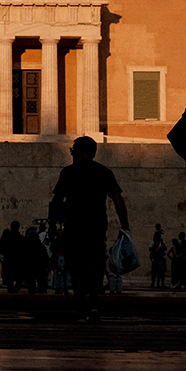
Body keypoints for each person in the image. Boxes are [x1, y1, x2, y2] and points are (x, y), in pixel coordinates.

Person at [49, 136, 130, 322]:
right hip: (96, 227)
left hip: (75, 227)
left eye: (74, 149)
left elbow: (57, 201)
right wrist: (124, 225)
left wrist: (52, 224)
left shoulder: (68, 173)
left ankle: (80, 310)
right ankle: (93, 307)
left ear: (83, 152)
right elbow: (117, 200)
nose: (72, 153)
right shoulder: (104, 172)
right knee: (95, 268)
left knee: (76, 269)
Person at [148, 224, 167, 288]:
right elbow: (150, 249)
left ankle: (161, 283)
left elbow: (165, 248)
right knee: (154, 271)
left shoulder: (161, 242)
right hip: (156, 258)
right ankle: (153, 283)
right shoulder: (153, 242)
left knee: (161, 271)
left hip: (160, 257)